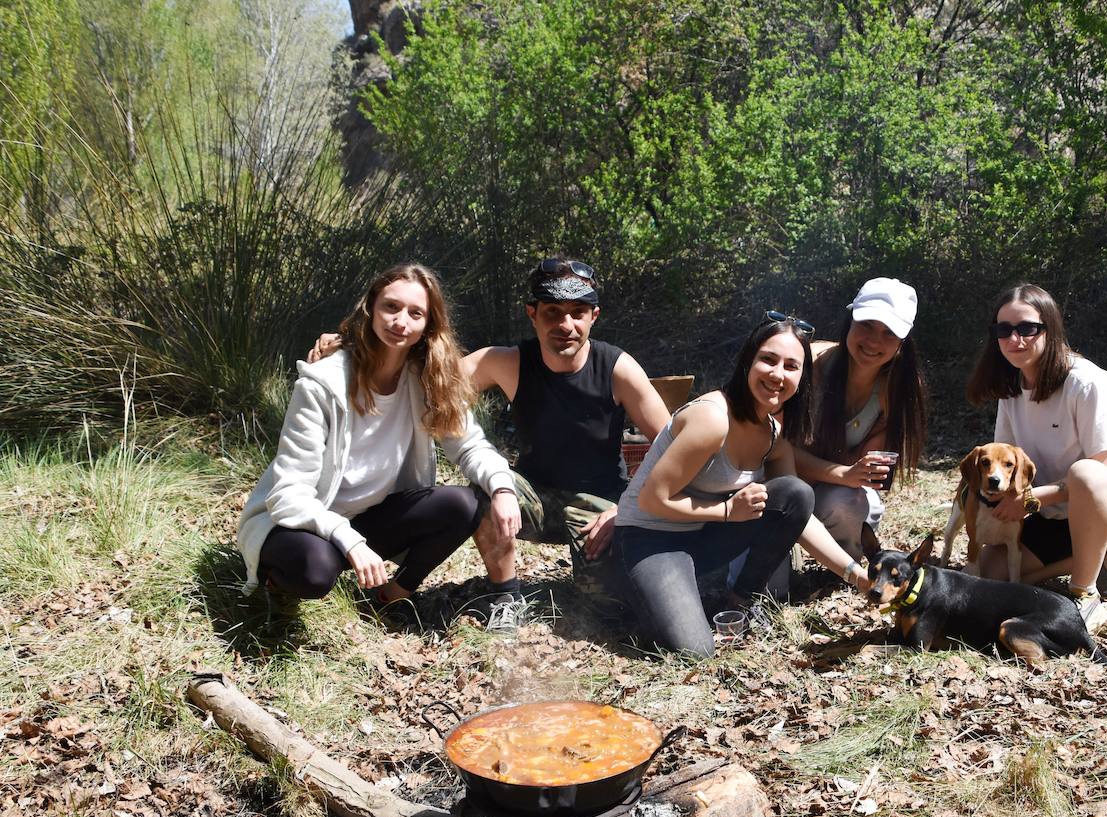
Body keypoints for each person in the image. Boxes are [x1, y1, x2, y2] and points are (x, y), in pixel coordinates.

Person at [309, 256, 669, 627]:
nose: (566, 325)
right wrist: (354, 345)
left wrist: (626, 509)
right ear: (532, 314)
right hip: (532, 498)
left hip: (600, 506)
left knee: (608, 610)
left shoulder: (617, 368)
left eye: (578, 312)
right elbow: (424, 375)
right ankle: (507, 596)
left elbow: (671, 445)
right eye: (553, 312)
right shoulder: (508, 362)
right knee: (486, 488)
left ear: (594, 316)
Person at [239, 264, 521, 610]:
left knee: (464, 504)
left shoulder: (426, 382)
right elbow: (287, 496)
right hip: (300, 521)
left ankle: (393, 594)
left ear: (427, 325)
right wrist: (349, 541)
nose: (401, 321)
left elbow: (470, 445)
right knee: (313, 572)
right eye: (391, 307)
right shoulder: (322, 383)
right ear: (371, 307)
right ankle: (274, 576)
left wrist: (503, 488)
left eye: (415, 313)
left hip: (368, 518)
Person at [614, 314, 872, 658]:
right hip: (651, 537)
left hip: (704, 536)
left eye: (791, 366)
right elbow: (651, 499)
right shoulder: (712, 419)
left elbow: (799, 512)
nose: (777, 374)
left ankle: (740, 596)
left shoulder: (773, 436)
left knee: (795, 493)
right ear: (748, 362)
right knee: (695, 651)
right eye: (768, 359)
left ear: (802, 378)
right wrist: (726, 511)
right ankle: (637, 593)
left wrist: (857, 576)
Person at [964, 283, 1107, 632]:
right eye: (1004, 330)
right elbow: (1005, 467)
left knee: (1084, 472)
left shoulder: (1086, 383)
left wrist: (1033, 498)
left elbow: (1100, 472)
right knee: (992, 574)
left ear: (1049, 329)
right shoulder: (1011, 391)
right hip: (1053, 517)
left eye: (1027, 328)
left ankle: (1085, 594)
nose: (1015, 339)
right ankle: (1092, 561)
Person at [796, 278, 928, 561]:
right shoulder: (810, 362)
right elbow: (773, 450)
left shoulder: (897, 387)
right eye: (866, 324)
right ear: (850, 321)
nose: (873, 341)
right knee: (771, 587)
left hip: (833, 492)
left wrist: (845, 473)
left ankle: (841, 561)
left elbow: (862, 475)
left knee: (851, 504)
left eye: (889, 332)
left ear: (902, 343)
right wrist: (843, 471)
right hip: (782, 486)